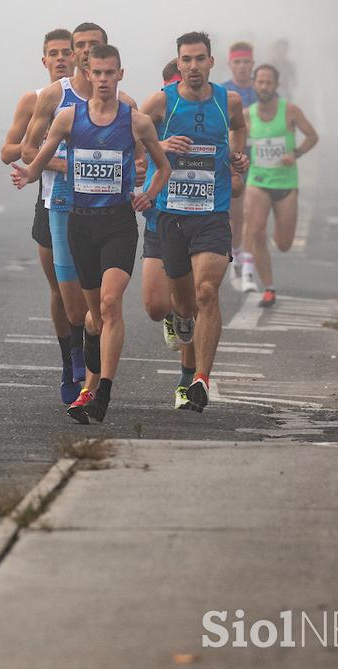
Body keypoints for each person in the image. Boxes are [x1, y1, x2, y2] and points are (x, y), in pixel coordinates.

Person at [12, 44, 171, 424]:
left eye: (109, 73)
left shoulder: (136, 122)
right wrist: (27, 174)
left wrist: (147, 194)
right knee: (92, 318)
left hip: (117, 224)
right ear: (88, 73)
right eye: (96, 73)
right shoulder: (68, 118)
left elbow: (161, 166)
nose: (102, 80)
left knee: (111, 304)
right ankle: (89, 378)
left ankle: (102, 395)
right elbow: (39, 156)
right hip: (79, 225)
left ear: (120, 74)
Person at [21, 22, 142, 406]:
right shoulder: (56, 98)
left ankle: (90, 380)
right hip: (62, 205)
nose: (88, 52)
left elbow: (141, 157)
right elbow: (27, 151)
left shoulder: (127, 106)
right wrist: (64, 165)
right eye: (81, 47)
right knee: (74, 306)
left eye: (95, 46)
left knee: (99, 307)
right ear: (75, 55)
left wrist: (140, 172)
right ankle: (72, 358)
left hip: (109, 214)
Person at [140, 31, 249, 413]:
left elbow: (239, 128)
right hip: (171, 216)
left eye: (200, 59)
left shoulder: (228, 101)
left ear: (211, 62)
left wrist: (238, 157)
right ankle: (180, 320)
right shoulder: (161, 102)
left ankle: (200, 379)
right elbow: (131, 134)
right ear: (179, 63)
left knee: (206, 292)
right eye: (186, 60)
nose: (193, 67)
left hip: (212, 216)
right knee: (173, 305)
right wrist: (161, 146)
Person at [0, 28, 86, 404]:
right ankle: (69, 359)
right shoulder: (35, 100)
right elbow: (8, 151)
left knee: (87, 286)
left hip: (91, 200)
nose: (62, 58)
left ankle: (89, 363)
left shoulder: (91, 97)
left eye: (68, 51)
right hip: (48, 196)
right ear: (45, 60)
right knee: (58, 287)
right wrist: (48, 149)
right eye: (55, 53)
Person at [140, 60, 200, 411]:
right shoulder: (154, 116)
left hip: (195, 219)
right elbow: (129, 140)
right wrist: (161, 145)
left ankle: (186, 380)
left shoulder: (205, 115)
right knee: (155, 305)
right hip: (158, 217)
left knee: (188, 305)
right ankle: (170, 315)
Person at [242, 64, 319, 307]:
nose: (263, 87)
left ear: (276, 85)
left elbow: (312, 136)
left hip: (285, 182)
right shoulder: (246, 115)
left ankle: (274, 242)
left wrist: (294, 154)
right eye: (260, 82)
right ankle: (269, 288)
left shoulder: (290, 111)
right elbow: (236, 144)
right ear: (254, 84)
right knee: (256, 230)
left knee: (284, 244)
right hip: (258, 180)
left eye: (268, 83)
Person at [221, 41, 257, 277]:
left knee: (252, 210)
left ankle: (248, 255)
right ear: (230, 64)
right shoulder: (222, 91)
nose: (242, 67)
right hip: (234, 154)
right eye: (238, 62)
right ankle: (236, 251)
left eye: (246, 62)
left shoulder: (262, 89)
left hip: (258, 154)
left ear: (252, 64)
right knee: (236, 212)